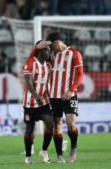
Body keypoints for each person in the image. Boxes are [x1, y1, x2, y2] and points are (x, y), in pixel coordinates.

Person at [31, 32, 83, 163]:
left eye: (51, 45)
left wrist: (71, 90)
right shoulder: (50, 56)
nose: (50, 48)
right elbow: (30, 59)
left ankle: (73, 147)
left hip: (69, 95)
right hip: (53, 96)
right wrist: (37, 47)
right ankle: (59, 155)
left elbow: (80, 74)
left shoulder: (74, 53)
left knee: (71, 123)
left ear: (57, 42)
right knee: (57, 124)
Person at [22, 41, 54, 164]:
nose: (48, 53)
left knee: (50, 124)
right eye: (46, 50)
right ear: (40, 50)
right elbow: (27, 81)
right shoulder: (30, 63)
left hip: (44, 102)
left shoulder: (48, 65)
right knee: (30, 129)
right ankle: (28, 156)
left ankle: (44, 150)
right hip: (30, 104)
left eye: (49, 50)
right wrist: (36, 96)